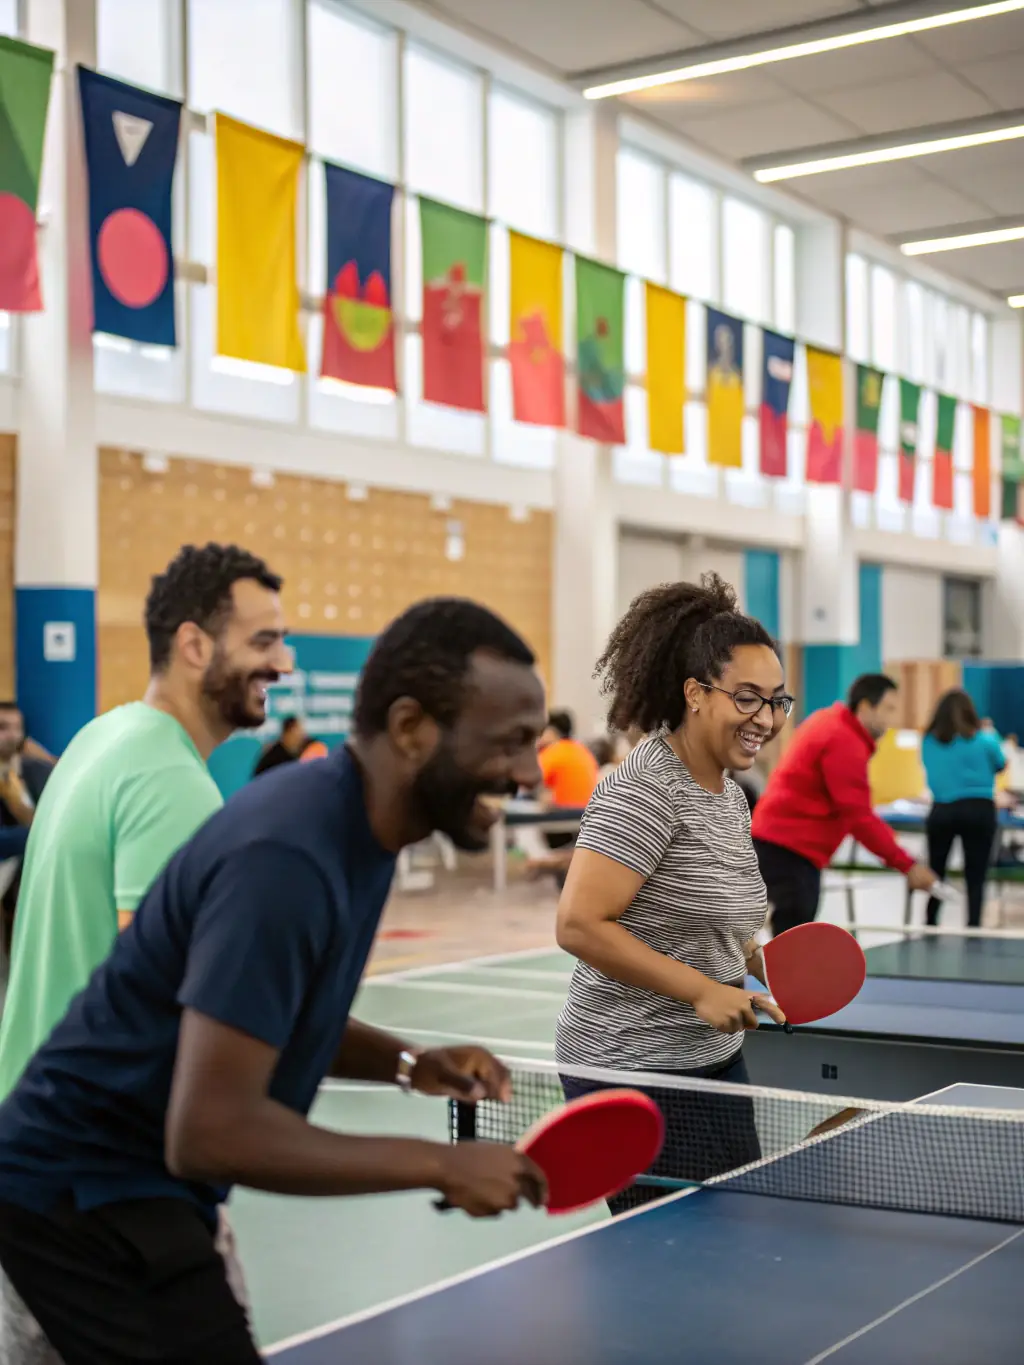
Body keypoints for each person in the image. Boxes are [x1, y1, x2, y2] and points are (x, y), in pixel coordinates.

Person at [0, 597, 549, 1364]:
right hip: (79, 1193)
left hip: (129, 1182)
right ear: (412, 728)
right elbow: (211, 1131)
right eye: (511, 742)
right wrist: (440, 1162)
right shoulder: (290, 856)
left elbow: (259, 1013)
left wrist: (406, 1063)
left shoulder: (359, 832)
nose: (530, 772)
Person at [0, 543, 292, 1104]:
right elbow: (169, 998)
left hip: (34, 1118)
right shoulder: (167, 778)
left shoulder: (102, 737)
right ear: (193, 645)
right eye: (264, 642)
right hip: (89, 1147)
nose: (284, 663)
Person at [554, 575, 790, 1213]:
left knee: (738, 1235)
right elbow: (578, 924)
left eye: (776, 701)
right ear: (694, 693)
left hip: (713, 1056)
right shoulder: (644, 789)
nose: (764, 719)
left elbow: (721, 918)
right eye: (747, 698)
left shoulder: (731, 797)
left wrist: (757, 959)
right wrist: (701, 990)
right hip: (631, 1068)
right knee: (670, 1265)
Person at [751, 673, 936, 936]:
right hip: (791, 849)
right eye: (888, 709)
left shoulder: (828, 721)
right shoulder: (844, 740)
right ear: (865, 707)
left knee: (789, 934)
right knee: (793, 940)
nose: (892, 720)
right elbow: (858, 815)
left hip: (779, 842)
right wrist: (907, 864)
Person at [921, 690, 1006, 928]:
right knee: (976, 875)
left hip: (942, 810)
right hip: (979, 810)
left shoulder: (928, 741)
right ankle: (973, 928)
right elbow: (1001, 764)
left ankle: (929, 923)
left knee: (936, 872)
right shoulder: (986, 739)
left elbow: (931, 771)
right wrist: (992, 734)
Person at [537, 710, 600, 811]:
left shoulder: (553, 752)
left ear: (551, 732)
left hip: (561, 817)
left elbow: (526, 783)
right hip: (585, 817)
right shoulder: (583, 751)